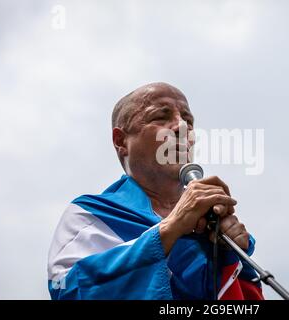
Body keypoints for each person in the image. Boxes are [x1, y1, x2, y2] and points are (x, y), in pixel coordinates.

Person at [47, 82, 264, 300]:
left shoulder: (209, 222)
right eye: (161, 117)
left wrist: (231, 251)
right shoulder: (91, 216)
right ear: (120, 140)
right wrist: (170, 229)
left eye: (188, 121)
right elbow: (67, 290)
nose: (182, 127)